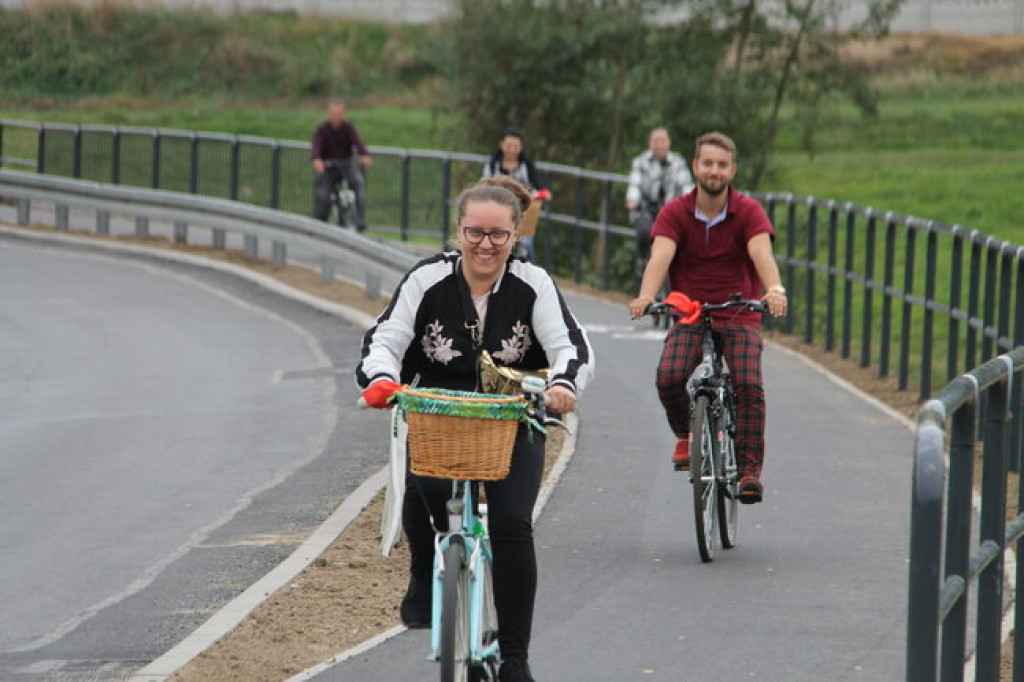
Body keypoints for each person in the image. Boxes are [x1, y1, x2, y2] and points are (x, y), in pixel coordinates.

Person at [357, 179, 594, 682]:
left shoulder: (534, 284)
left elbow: (570, 345)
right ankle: (424, 572)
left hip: (513, 415)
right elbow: (387, 337)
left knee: (511, 525)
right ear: (458, 232)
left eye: (498, 235)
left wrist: (564, 385)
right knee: (425, 487)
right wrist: (380, 378)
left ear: (514, 237)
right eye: (475, 232)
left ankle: (515, 659)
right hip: (438, 409)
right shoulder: (427, 280)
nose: (485, 244)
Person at [628, 131, 786, 504]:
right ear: (696, 166)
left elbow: (761, 252)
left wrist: (774, 290)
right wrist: (647, 296)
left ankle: (748, 472)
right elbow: (661, 256)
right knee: (669, 376)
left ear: (732, 170)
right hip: (690, 310)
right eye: (708, 163)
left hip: (739, 311)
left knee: (748, 383)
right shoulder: (675, 212)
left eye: (722, 165)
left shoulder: (748, 211)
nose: (714, 171)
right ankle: (687, 435)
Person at [625, 127, 694, 287]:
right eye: (656, 142)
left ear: (668, 143)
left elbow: (686, 185)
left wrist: (691, 202)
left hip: (670, 211)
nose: (659, 145)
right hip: (645, 210)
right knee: (644, 232)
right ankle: (642, 262)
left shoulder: (678, 162)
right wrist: (632, 201)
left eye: (662, 141)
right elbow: (634, 185)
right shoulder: (640, 162)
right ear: (650, 144)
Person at [481, 129, 548, 262]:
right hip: (496, 210)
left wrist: (542, 194)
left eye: (516, 146)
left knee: (526, 245)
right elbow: (484, 185)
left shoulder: (526, 165)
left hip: (522, 212)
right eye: (509, 145)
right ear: (501, 145)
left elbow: (537, 184)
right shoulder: (493, 164)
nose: (512, 150)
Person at [311, 100, 373, 231]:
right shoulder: (322, 130)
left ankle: (360, 219)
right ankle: (319, 222)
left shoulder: (348, 128)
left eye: (339, 114)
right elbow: (317, 146)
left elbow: (358, 142)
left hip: (346, 164)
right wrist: (317, 159)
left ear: (343, 114)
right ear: (329, 114)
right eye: (334, 114)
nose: (336, 118)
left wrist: (365, 155)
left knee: (358, 183)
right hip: (329, 166)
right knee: (323, 193)